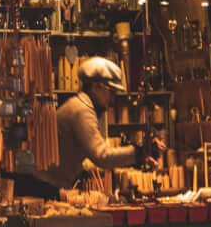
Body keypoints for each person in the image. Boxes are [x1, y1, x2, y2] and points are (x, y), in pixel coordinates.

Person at [20, 56, 162, 200]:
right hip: (40, 186)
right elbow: (102, 156)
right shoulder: (82, 110)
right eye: (111, 92)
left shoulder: (79, 104)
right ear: (96, 87)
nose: (112, 99)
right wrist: (139, 152)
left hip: (42, 182)